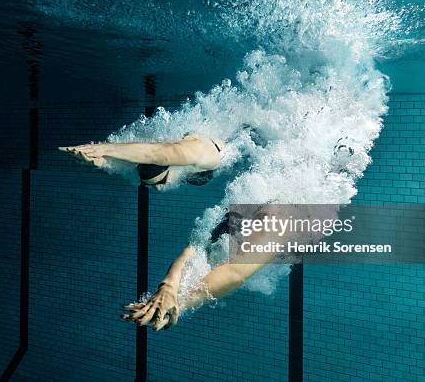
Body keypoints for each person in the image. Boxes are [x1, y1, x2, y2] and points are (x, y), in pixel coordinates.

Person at [121, 206, 310, 331]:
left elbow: (232, 270)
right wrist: (169, 289)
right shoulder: (256, 212)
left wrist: (176, 298)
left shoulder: (276, 218)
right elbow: (198, 251)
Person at [59, 134, 225, 190]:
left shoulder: (206, 155)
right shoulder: (196, 158)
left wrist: (104, 150)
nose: (160, 188)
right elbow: (151, 155)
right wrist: (102, 161)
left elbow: (156, 153)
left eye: (162, 181)